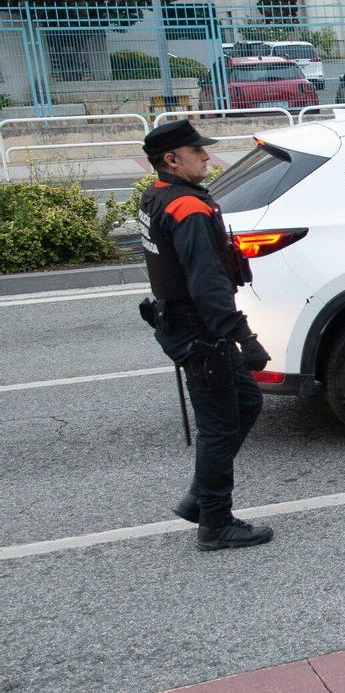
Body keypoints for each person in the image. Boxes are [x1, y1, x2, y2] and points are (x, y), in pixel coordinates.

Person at [136, 119, 275, 551]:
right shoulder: (187, 208)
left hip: (184, 324)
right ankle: (215, 521)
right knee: (218, 426)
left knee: (247, 401)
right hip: (200, 332)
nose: (206, 157)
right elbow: (208, 283)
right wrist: (244, 337)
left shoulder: (158, 196)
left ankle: (201, 495)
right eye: (197, 152)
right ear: (171, 160)